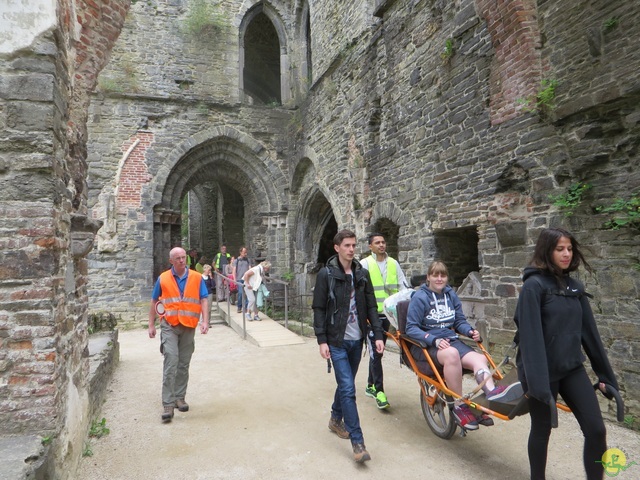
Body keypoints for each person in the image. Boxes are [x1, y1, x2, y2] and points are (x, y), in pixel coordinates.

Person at [513, 227, 619, 480]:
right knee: (541, 430)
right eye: (560, 249)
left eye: (570, 249)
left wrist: (605, 376)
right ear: (547, 251)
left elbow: (590, 335)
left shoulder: (575, 288)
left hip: (572, 368)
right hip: (542, 372)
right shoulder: (533, 286)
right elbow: (531, 339)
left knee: (596, 430)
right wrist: (537, 385)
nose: (566, 254)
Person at [406, 260, 518, 431]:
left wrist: (469, 331)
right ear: (428, 277)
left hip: (450, 340)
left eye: (442, 275)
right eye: (435, 275)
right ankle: (459, 406)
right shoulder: (420, 298)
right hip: (426, 345)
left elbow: (459, 321)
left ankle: (493, 396)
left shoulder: (450, 295)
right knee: (451, 354)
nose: (439, 279)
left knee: (480, 358)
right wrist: (433, 340)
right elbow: (411, 328)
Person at [312, 229, 384, 463]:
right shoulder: (326, 274)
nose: (351, 249)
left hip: (357, 340)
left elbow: (372, 305)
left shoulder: (361, 273)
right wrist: (322, 339)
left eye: (354, 245)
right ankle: (358, 443)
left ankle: (335, 419)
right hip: (336, 341)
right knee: (348, 389)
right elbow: (319, 308)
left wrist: (378, 335)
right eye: (347, 245)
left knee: (346, 385)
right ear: (337, 248)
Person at [148, 247, 209, 423]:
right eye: (178, 258)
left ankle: (179, 397)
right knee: (171, 360)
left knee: (183, 363)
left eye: (184, 257)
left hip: (189, 325)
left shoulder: (197, 278)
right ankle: (168, 403)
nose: (182, 260)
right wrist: (151, 324)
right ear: (171, 261)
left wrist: (205, 321)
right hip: (170, 325)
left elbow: (203, 299)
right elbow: (154, 301)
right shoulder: (163, 278)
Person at [360, 232, 408, 409]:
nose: (381, 245)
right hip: (372, 316)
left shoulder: (393, 263)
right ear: (370, 246)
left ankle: (370, 385)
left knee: (376, 352)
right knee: (377, 351)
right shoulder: (364, 264)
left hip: (389, 316)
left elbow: (403, 286)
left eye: (383, 242)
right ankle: (379, 391)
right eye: (377, 243)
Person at [232, 247, 251, 313]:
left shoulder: (248, 260)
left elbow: (250, 269)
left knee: (247, 293)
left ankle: (245, 307)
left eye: (246, 252)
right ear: (240, 252)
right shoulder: (236, 261)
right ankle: (239, 306)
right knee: (240, 293)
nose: (245, 254)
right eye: (244, 252)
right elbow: (234, 271)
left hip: (246, 279)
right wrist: (234, 279)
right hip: (239, 279)